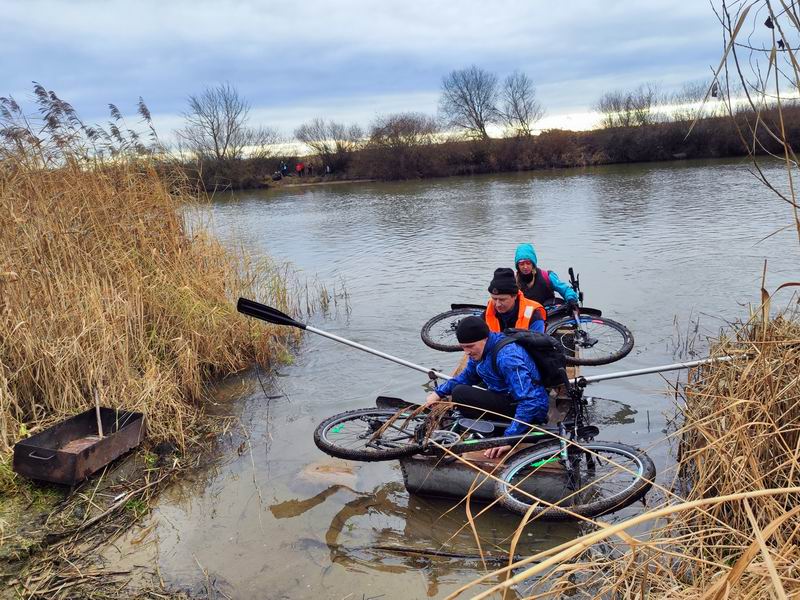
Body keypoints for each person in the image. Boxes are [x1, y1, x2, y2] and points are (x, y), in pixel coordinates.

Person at [424, 316, 550, 459]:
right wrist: (438, 393)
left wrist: (509, 439)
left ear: (485, 338)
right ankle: (496, 426)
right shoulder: (482, 351)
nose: (467, 352)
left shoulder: (507, 358)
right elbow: (467, 376)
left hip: (532, 410)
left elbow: (529, 400)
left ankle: (509, 429)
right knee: (459, 392)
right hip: (507, 398)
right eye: (463, 347)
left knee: (460, 393)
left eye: (470, 346)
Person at [514, 243, 578, 309]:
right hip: (525, 315)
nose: (525, 267)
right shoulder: (513, 281)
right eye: (521, 264)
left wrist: (571, 299)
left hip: (549, 313)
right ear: (518, 266)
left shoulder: (547, 276)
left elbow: (565, 290)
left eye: (528, 263)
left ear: (533, 264)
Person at [485, 267, 546, 333]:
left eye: (502, 299)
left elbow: (538, 342)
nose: (497, 304)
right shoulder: (486, 314)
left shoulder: (534, 317)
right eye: (494, 298)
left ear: (515, 296)